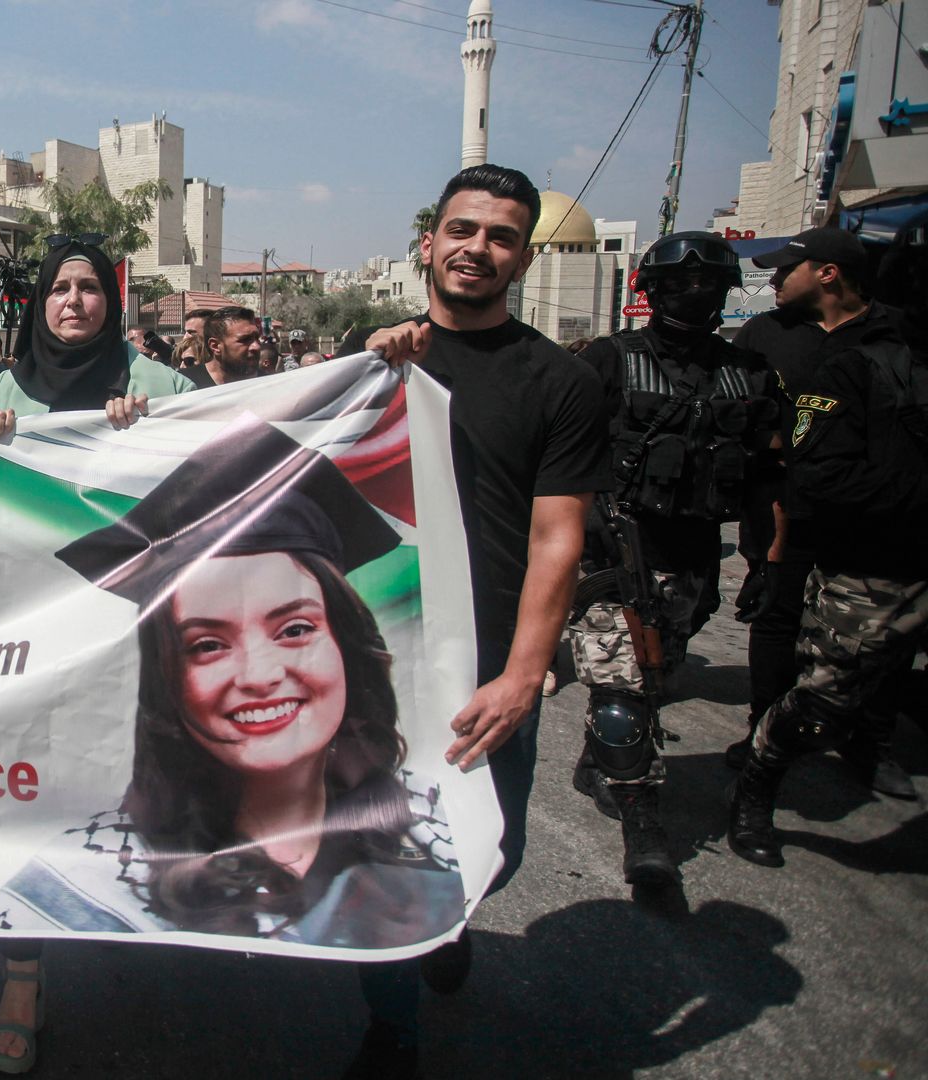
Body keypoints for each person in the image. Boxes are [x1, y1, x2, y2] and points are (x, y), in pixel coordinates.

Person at [0, 417, 462, 954]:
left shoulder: (434, 818)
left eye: (295, 630)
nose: (259, 675)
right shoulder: (86, 879)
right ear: (168, 680)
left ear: (346, 644)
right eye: (207, 645)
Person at [363, 164, 606, 1078]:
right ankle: (390, 1030)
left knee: (493, 848)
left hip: (492, 660)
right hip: (386, 648)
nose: (478, 249)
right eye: (463, 230)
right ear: (429, 239)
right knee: (391, 852)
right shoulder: (376, 357)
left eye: (501, 237)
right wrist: (367, 368)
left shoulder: (561, 383)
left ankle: (450, 919)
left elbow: (557, 538)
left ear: (524, 256)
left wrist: (523, 674)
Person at [0, 236, 193, 1073]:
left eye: (90, 288)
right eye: (59, 288)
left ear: (111, 301)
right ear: (38, 305)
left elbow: (214, 469)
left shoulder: (158, 383)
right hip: (34, 634)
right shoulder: (9, 386)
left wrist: (152, 430)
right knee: (25, 800)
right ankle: (21, 976)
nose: (73, 302)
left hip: (133, 636)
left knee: (124, 793)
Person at [565, 232, 777, 886]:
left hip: (693, 557)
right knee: (621, 692)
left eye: (710, 282)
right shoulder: (608, 360)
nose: (695, 293)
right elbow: (561, 454)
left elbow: (769, 472)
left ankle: (599, 756)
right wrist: (579, 526)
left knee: (655, 681)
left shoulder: (747, 372)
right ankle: (644, 827)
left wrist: (768, 558)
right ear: (649, 291)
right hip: (614, 552)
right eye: (678, 283)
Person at [727, 231, 928, 865]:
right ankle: (763, 761)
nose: (778, 278)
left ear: (831, 273)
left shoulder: (898, 340)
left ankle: (874, 745)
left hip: (897, 545)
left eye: (791, 266)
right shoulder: (830, 354)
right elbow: (815, 464)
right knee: (822, 681)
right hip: (843, 538)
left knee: (881, 674)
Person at [177, 305, 263, 389]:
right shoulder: (183, 384)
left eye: (257, 338)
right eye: (245, 340)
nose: (256, 347)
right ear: (215, 346)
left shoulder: (269, 383)